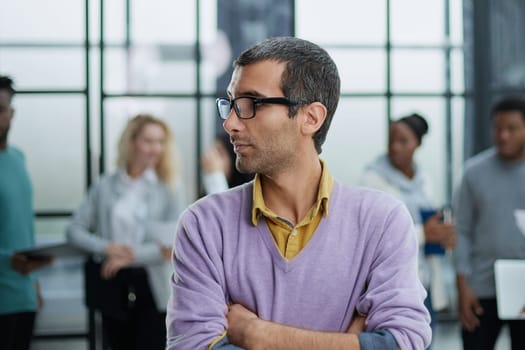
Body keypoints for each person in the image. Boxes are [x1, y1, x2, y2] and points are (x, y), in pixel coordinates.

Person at [166, 37, 431, 350]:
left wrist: (258, 336)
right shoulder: (204, 224)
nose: (230, 122)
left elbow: (404, 342)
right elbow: (193, 346)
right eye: (231, 103)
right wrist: (349, 342)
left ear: (311, 118)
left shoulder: (382, 220)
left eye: (251, 104)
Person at [66, 114, 185, 350]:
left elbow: (176, 241)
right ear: (131, 143)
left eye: (160, 142)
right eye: (148, 141)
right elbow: (74, 231)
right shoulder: (105, 185)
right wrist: (107, 248)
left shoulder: (170, 186)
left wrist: (130, 256)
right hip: (112, 284)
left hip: (154, 286)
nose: (156, 148)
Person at [359, 113, 456, 348]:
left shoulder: (424, 179)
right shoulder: (372, 179)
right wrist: (425, 233)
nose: (395, 147)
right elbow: (373, 234)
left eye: (403, 141)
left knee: (425, 340)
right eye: (392, 140)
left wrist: (443, 233)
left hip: (425, 279)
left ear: (418, 144)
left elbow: (428, 219)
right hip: (394, 282)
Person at [453, 95, 525, 350]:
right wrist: (463, 287)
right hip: (480, 289)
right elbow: (461, 229)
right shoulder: (474, 172)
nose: (503, 135)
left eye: (512, 129)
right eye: (498, 128)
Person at [0, 75, 53, 350]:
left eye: (0, 109)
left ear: (11, 113)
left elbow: (22, 225)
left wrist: (33, 284)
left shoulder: (18, 158)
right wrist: (9, 260)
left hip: (23, 294)